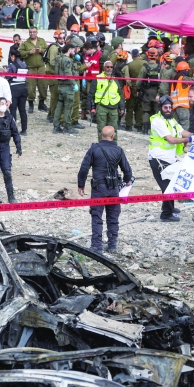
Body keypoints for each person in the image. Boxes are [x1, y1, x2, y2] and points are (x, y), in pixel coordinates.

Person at [77, 126, 133, 254]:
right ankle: (112, 245)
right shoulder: (118, 150)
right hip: (114, 189)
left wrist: (81, 185)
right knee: (113, 217)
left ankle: (96, 246)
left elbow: (84, 168)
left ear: (101, 135)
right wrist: (127, 180)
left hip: (99, 188)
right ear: (113, 136)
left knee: (96, 216)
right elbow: (127, 170)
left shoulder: (94, 149)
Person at [147, 95, 190, 223]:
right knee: (167, 186)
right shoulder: (157, 121)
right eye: (165, 107)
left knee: (172, 182)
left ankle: (169, 207)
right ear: (160, 108)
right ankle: (166, 214)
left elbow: (182, 132)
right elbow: (170, 140)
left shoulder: (171, 120)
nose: (168, 110)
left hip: (169, 158)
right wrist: (189, 139)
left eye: (170, 107)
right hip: (158, 158)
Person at [94, 59, 122, 136]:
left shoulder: (115, 80)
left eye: (111, 67)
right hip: (102, 106)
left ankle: (113, 143)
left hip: (113, 107)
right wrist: (91, 107)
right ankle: (102, 143)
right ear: (104, 68)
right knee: (101, 129)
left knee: (114, 130)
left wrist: (122, 107)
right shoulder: (98, 78)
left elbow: (120, 94)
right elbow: (91, 94)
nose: (109, 68)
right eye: (107, 67)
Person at [22, 28, 47, 113]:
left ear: (37, 32)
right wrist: (29, 52)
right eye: (30, 32)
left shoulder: (42, 41)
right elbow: (21, 53)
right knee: (31, 87)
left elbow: (47, 51)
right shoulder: (25, 43)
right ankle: (31, 104)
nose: (32, 33)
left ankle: (41, 103)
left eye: (34, 32)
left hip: (41, 67)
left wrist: (41, 51)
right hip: (31, 68)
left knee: (43, 86)